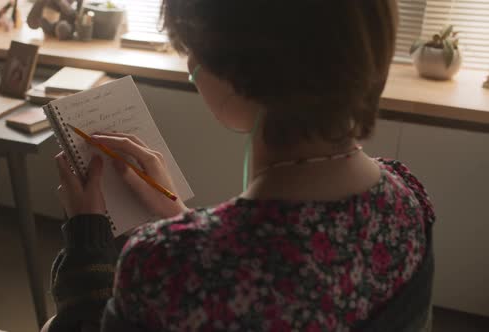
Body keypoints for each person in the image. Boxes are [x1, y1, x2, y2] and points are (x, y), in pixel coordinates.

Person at [49, 0, 436, 331]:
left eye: (192, 49)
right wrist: (178, 216)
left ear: (234, 72)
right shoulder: (408, 203)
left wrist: (86, 238)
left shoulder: (166, 264)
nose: (191, 67)